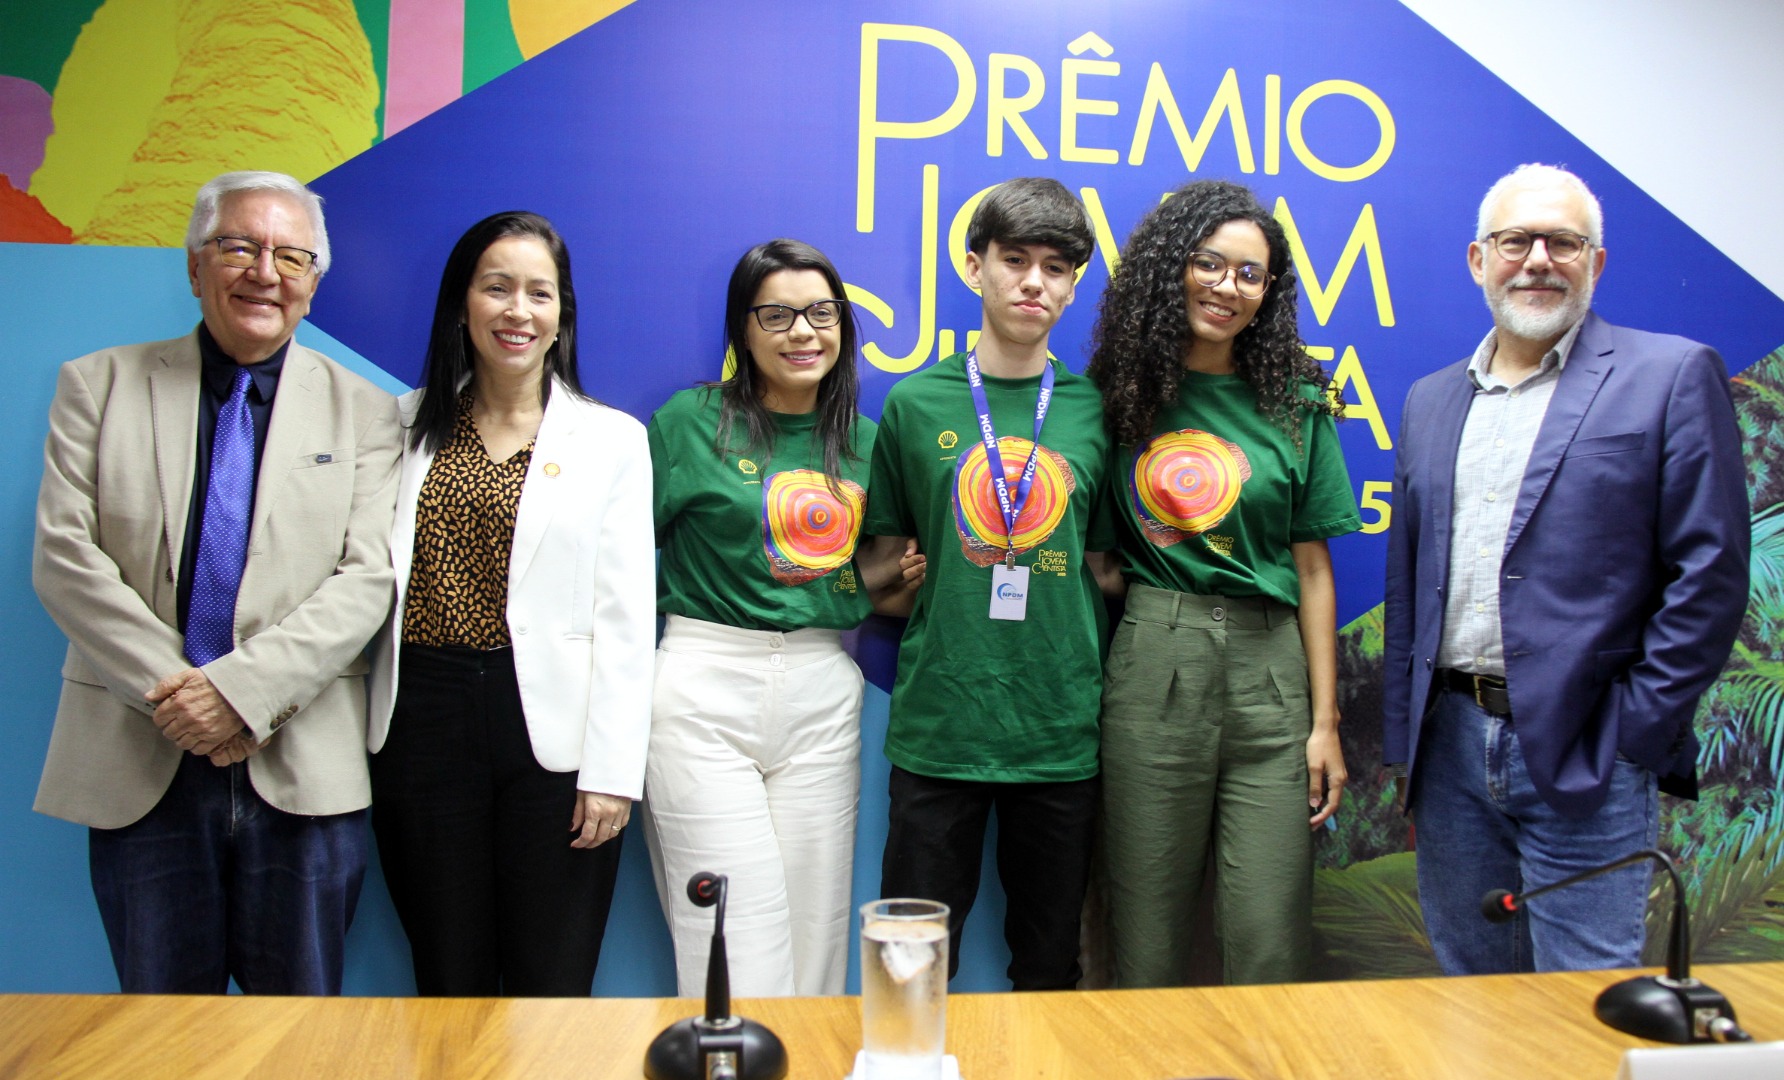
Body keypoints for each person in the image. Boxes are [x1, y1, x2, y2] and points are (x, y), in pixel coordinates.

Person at [32, 170, 401, 994]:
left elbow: (367, 578)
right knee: (161, 1036)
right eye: (238, 247)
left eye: (291, 256)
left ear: (313, 281)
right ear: (195, 265)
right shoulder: (98, 386)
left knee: (298, 1037)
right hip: (140, 760)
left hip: (301, 771)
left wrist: (237, 696)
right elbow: (64, 556)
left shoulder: (369, 412)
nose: (265, 272)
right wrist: (185, 698)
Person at [1382, 164, 1750, 973]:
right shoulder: (1429, 400)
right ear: (1479, 259)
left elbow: (1711, 574)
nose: (1538, 260)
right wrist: (1411, 742)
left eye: (1563, 242)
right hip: (1450, 751)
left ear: (1597, 262)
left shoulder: (1670, 374)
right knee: (1472, 996)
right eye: (1516, 241)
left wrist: (1633, 734)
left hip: (1589, 747)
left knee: (1584, 1002)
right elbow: (1410, 582)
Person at [365, 211, 655, 996]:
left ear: (562, 314)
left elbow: (627, 620)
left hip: (555, 741)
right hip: (421, 722)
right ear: (462, 303)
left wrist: (613, 773)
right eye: (497, 288)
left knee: (551, 986)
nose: (517, 311)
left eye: (539, 293)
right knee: (447, 978)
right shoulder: (397, 427)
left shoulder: (612, 440)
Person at [1086, 179, 1360, 987]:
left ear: (1269, 292)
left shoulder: (1297, 403)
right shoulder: (1115, 397)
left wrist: (1325, 723)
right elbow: (1096, 557)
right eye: (1208, 263)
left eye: (1250, 274)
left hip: (1271, 675)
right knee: (1145, 933)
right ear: (1171, 266)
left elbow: (1313, 568)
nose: (1227, 287)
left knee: (1269, 935)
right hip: (1153, 663)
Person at [643, 238, 921, 997]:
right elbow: (619, 562)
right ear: (743, 327)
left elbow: (875, 576)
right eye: (778, 315)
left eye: (822, 313)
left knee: (817, 940)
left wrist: (892, 578)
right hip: (703, 686)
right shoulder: (690, 422)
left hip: (821, 687)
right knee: (731, 938)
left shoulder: (866, 443)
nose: (803, 332)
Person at [862, 177, 1117, 990]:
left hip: (1058, 731)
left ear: (1073, 286)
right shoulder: (914, 404)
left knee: (1049, 967)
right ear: (976, 267)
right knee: (909, 966)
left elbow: (1105, 569)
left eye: (1055, 267)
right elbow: (880, 571)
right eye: (1015, 260)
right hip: (942, 726)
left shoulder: (1098, 412)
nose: (1033, 282)